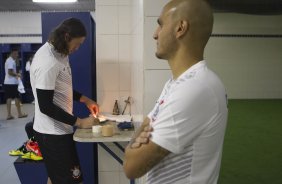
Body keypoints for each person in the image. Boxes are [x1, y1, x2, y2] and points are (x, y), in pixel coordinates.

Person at [123, 0, 228, 184]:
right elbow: (147, 124)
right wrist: (135, 146)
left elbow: (131, 167)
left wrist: (132, 149)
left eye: (161, 25)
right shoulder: (177, 83)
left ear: (180, 28)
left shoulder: (195, 89)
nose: (155, 35)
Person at [30, 18, 100, 184]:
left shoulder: (60, 53)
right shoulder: (48, 62)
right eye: (77, 43)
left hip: (57, 130)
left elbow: (60, 88)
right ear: (67, 37)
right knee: (72, 180)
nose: (77, 48)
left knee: (56, 178)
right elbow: (45, 106)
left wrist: (85, 99)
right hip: (52, 134)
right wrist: (80, 122)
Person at [4, 49, 28, 120]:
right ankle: (19, 114)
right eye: (16, 54)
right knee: (17, 97)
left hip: (8, 82)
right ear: (12, 53)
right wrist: (18, 74)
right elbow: (10, 72)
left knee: (9, 98)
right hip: (12, 83)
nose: (17, 55)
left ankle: (9, 115)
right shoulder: (10, 61)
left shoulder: (9, 60)